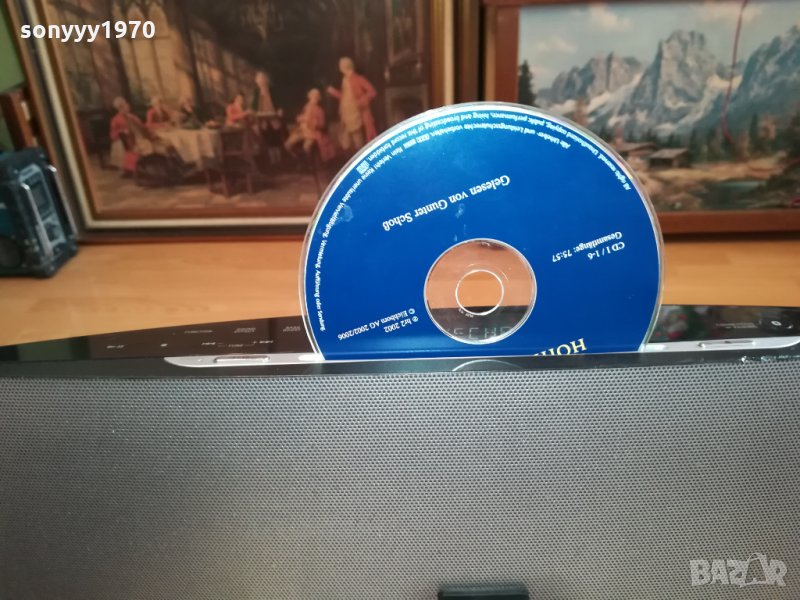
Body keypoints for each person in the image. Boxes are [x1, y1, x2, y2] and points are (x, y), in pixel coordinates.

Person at [326, 56, 377, 150]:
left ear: (345, 66)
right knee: (347, 143)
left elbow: (372, 91)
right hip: (346, 114)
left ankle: (360, 155)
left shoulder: (357, 78)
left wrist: (361, 101)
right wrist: (333, 92)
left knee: (357, 139)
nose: (339, 67)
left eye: (341, 65)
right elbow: (345, 97)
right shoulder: (345, 79)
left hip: (355, 113)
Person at [284, 88, 335, 162]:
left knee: (306, 147)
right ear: (309, 97)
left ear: (318, 98)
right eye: (313, 96)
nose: (314, 98)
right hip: (302, 131)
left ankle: (308, 162)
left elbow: (322, 124)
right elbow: (300, 118)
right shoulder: (306, 107)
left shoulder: (319, 110)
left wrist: (315, 124)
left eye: (316, 97)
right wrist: (300, 119)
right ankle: (298, 158)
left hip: (312, 133)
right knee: (287, 144)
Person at [109, 96, 152, 175]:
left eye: (127, 106)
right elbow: (112, 135)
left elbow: (142, 126)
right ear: (120, 108)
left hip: (140, 137)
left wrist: (150, 128)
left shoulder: (132, 116)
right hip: (129, 141)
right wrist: (122, 131)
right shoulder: (115, 119)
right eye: (126, 106)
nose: (128, 107)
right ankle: (131, 167)